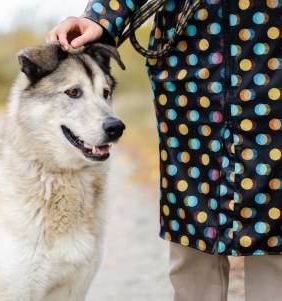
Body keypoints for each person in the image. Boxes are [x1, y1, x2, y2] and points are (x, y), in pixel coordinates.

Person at [47, 1, 282, 301]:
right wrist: (101, 17)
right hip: (193, 59)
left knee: (275, 225)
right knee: (194, 221)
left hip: (271, 51)